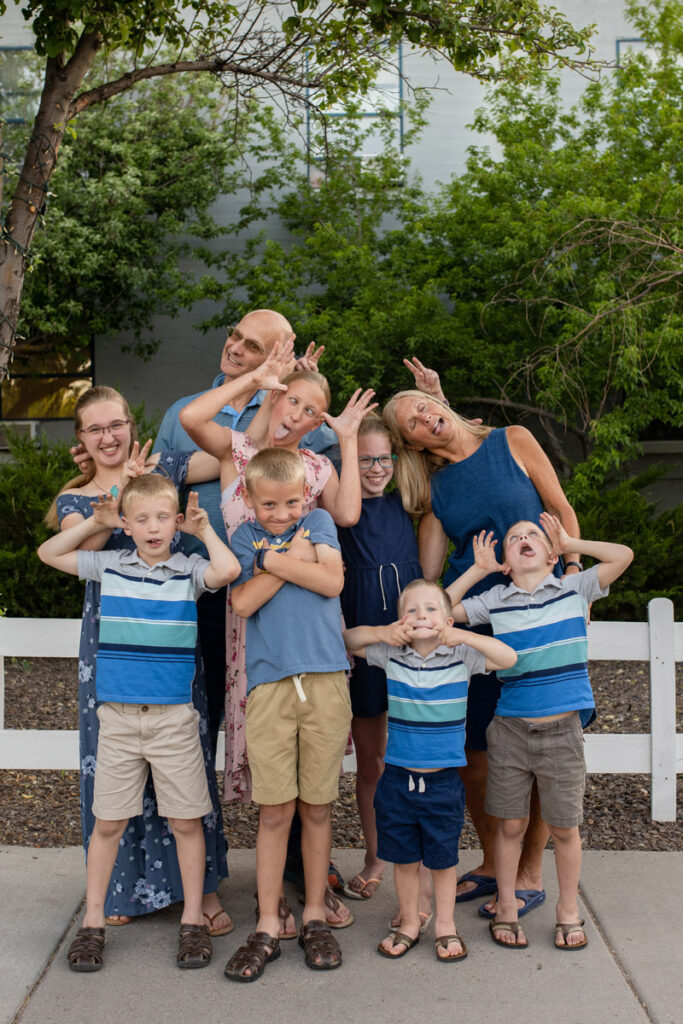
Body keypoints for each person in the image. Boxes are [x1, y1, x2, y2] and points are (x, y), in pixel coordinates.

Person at [180, 340, 372, 931]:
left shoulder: (315, 472)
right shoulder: (239, 453)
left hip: (312, 637)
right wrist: (258, 379)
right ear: (279, 394)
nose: (299, 415)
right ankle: (270, 902)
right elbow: (192, 419)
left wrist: (343, 436)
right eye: (294, 400)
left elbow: (344, 521)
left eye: (313, 411)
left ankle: (306, 892)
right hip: (253, 637)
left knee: (314, 786)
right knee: (270, 779)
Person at [383, 367, 582, 919]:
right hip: (474, 629)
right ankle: (496, 863)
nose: (424, 419)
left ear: (438, 404)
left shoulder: (512, 440)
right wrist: (413, 622)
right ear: (414, 445)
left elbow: (560, 512)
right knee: (473, 754)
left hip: (536, 620)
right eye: (412, 424)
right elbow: (429, 577)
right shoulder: (436, 492)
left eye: (423, 408)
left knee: (541, 741)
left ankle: (528, 872)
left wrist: (571, 578)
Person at [46, 386, 232, 935]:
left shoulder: (167, 467)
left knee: (185, 772)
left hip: (170, 651)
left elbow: (228, 452)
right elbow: (70, 548)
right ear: (80, 440)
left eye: (115, 424)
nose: (108, 436)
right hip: (112, 651)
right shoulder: (78, 498)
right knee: (115, 779)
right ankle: (118, 891)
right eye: (94, 429)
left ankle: (201, 894)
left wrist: (256, 381)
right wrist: (119, 494)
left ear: (131, 423)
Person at [153, 310, 337, 753]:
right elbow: (156, 482)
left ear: (276, 356)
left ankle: (283, 818)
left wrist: (294, 389)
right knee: (198, 709)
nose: (235, 347)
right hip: (196, 578)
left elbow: (327, 488)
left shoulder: (288, 403)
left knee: (273, 705)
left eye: (252, 345)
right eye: (234, 335)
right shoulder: (184, 409)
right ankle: (198, 820)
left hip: (272, 582)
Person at [446, 516, 633, 949]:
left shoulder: (574, 589)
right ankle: (508, 906)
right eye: (515, 539)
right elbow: (439, 610)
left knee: (565, 827)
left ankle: (568, 909)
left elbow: (623, 556)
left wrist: (571, 543)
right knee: (509, 825)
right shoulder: (495, 598)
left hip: (563, 730)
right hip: (510, 729)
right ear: (507, 563)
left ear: (550, 556)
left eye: (534, 536)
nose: (524, 539)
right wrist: (477, 571)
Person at [223, 448, 353, 980]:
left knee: (317, 807)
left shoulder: (319, 520)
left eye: (291, 503)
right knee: (274, 810)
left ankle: (316, 913)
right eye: (270, 505)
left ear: (306, 497)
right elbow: (243, 604)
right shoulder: (242, 539)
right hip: (272, 686)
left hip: (324, 680)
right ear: (250, 501)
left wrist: (272, 562)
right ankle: (268, 923)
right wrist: (290, 558)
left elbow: (333, 583)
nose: (282, 514)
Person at [343, 579, 517, 962]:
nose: (422, 615)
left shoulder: (461, 658)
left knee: (442, 861)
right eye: (412, 610)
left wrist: (464, 638)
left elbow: (508, 658)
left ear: (447, 619)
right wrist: (382, 632)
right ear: (401, 620)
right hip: (397, 780)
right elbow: (348, 640)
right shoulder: (391, 654)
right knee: (404, 860)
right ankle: (408, 922)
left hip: (442, 782)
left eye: (432, 609)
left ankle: (445, 926)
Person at [335, 414, 422, 903]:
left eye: (381, 458)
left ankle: (421, 857)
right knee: (373, 762)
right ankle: (376, 856)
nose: (373, 468)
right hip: (366, 639)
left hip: (415, 640)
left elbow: (439, 448)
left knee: (418, 754)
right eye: (363, 458)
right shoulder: (339, 510)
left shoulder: (406, 503)